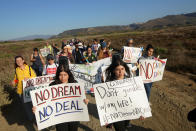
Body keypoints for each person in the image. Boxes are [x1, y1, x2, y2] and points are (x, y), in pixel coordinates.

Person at [33, 64, 89, 131]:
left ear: (69, 75)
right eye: (60, 75)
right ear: (57, 75)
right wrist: (38, 109)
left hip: (73, 117)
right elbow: (47, 102)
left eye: (65, 75)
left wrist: (84, 101)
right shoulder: (52, 85)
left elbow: (80, 100)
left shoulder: (75, 84)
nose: (62, 78)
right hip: (60, 119)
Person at [105, 55, 144, 131]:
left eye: (122, 69)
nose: (120, 72)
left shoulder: (131, 81)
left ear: (125, 69)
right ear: (113, 70)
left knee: (125, 126)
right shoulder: (108, 83)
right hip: (116, 114)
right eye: (117, 69)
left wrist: (142, 111)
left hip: (128, 112)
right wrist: (106, 118)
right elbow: (105, 102)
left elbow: (137, 97)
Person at [11, 56, 36, 121]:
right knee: (26, 107)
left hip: (30, 91)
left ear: (23, 60)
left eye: (20, 60)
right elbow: (16, 79)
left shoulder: (29, 68)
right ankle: (31, 119)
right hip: (20, 92)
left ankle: (37, 118)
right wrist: (14, 82)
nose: (18, 62)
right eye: (17, 61)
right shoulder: (17, 70)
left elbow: (35, 78)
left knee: (33, 105)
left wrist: (29, 78)